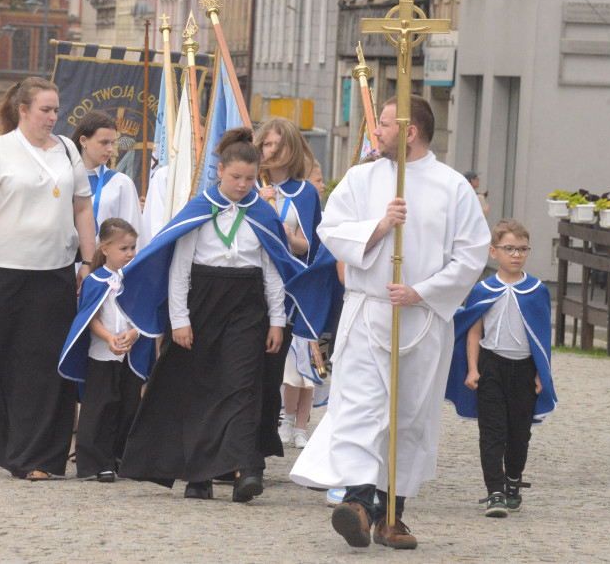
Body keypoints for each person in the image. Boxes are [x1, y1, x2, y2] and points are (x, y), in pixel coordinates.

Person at [289, 95, 490, 549]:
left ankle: (392, 513)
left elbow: (472, 253)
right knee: (361, 407)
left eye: (382, 124)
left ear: (410, 131)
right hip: (367, 314)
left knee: (409, 415)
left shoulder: (452, 186)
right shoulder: (362, 178)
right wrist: (380, 227)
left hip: (420, 316)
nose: (374, 132)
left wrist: (422, 291)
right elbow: (330, 231)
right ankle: (359, 504)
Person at [116, 127, 303, 502]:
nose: (243, 185)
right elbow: (179, 269)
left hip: (248, 305)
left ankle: (247, 469)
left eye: (250, 179)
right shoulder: (198, 209)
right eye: (236, 177)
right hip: (202, 302)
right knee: (200, 387)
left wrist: (278, 321)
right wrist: (180, 320)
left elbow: (273, 270)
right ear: (220, 170)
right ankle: (199, 474)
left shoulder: (262, 213)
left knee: (242, 385)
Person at [0, 77, 95, 481]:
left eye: (56, 109)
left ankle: (36, 456)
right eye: (45, 110)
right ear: (24, 110)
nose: (53, 117)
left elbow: (82, 209)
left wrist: (88, 260)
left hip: (52, 274)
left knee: (42, 366)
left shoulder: (67, 151)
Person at [446, 219, 557, 517]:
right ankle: (494, 491)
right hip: (491, 366)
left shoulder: (537, 290)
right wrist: (472, 368)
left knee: (519, 434)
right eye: (509, 248)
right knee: (492, 432)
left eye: (522, 249)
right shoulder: (483, 289)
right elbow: (473, 330)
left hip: (523, 369)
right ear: (494, 252)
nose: (516, 255)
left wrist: (539, 373)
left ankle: (513, 480)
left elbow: (542, 335)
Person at [251, 117, 323, 457]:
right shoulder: (245, 185)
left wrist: (278, 222)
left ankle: (267, 437)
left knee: (274, 368)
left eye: (279, 145)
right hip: (247, 287)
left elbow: (306, 247)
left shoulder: (305, 192)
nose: (273, 151)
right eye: (267, 144)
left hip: (285, 292)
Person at [59, 218, 147, 482]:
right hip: (102, 355)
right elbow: (89, 318)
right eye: (124, 249)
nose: (130, 253)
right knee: (99, 408)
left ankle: (120, 457)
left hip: (130, 355)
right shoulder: (95, 280)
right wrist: (109, 338)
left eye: (133, 247)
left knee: (128, 406)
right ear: (105, 249)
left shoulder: (137, 278)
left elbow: (143, 314)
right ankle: (94, 463)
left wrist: (133, 333)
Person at [71, 112, 143, 243]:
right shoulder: (64, 180)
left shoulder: (121, 184)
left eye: (112, 143)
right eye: (104, 142)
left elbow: (134, 237)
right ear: (83, 141)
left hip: (104, 262)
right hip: (65, 261)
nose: (110, 149)